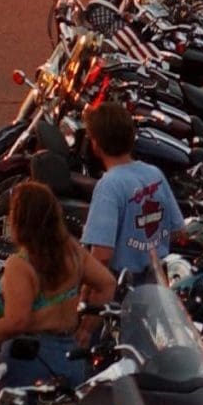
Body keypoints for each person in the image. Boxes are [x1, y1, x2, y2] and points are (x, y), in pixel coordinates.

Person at [0, 180, 115, 385]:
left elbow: (15, 323)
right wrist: (86, 329)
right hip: (70, 355)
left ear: (19, 220)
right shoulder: (71, 250)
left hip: (29, 360)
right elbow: (107, 283)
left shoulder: (21, 265)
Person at [81, 102, 184, 280]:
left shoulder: (109, 186)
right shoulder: (154, 173)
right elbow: (179, 231)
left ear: (96, 145)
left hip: (128, 291)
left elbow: (102, 255)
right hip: (159, 283)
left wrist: (88, 290)